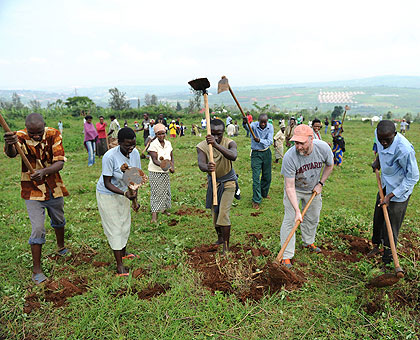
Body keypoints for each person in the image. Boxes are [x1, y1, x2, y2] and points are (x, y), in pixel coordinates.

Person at [3, 113, 69, 284]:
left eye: (39, 132)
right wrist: (9, 144)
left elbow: (60, 162)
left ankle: (61, 247)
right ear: (27, 129)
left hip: (53, 186)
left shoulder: (54, 134)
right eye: (32, 133)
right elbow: (11, 154)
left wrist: (44, 172)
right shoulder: (19, 137)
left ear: (44, 127)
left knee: (59, 219)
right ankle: (37, 270)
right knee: (38, 228)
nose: (36, 136)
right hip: (31, 190)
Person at [280, 124, 334, 268]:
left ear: (311, 139)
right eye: (296, 143)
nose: (298, 147)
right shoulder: (289, 157)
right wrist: (297, 210)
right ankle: (286, 255)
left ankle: (308, 242)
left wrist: (321, 183)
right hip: (295, 190)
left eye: (301, 143)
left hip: (313, 188)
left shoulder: (323, 148)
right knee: (290, 220)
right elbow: (289, 186)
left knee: (313, 217)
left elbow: (330, 165)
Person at [368, 120, 419, 268]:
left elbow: (413, 177)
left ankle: (388, 259)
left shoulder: (404, 150)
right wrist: (378, 160)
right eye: (381, 139)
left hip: (399, 191)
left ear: (395, 135)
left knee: (391, 225)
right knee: (378, 217)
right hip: (385, 184)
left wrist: (391, 196)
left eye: (387, 140)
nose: (383, 142)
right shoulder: (379, 136)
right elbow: (380, 149)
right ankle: (376, 245)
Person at [96, 127, 141, 276]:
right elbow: (107, 182)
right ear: (119, 142)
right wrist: (125, 193)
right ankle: (119, 265)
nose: (130, 148)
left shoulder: (135, 154)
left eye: (133, 144)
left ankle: (123, 251)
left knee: (124, 222)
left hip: (125, 193)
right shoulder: (109, 157)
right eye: (127, 145)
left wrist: (135, 198)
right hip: (108, 194)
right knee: (114, 226)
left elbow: (135, 177)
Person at [196, 119, 238, 254]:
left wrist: (215, 145)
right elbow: (201, 164)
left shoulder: (229, 143)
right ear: (208, 132)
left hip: (229, 182)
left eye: (219, 134)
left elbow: (233, 156)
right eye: (213, 134)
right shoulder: (202, 146)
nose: (216, 137)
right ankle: (220, 238)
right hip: (214, 183)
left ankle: (226, 246)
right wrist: (207, 167)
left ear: (223, 133)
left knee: (224, 213)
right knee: (215, 214)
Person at [148, 123, 174, 223]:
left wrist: (172, 166)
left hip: (165, 171)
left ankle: (163, 210)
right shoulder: (153, 145)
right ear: (156, 134)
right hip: (155, 172)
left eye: (163, 133)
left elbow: (171, 156)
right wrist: (165, 166)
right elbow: (155, 160)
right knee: (156, 192)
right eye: (159, 134)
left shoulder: (168, 144)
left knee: (166, 191)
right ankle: (154, 216)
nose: (161, 136)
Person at [250, 114, 274, 209]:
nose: (263, 124)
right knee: (256, 178)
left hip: (266, 152)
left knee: (267, 176)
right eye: (261, 122)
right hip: (256, 154)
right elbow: (248, 128)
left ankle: (264, 193)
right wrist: (244, 123)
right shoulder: (253, 126)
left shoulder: (270, 127)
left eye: (265, 122)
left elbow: (270, 141)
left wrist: (259, 140)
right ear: (258, 121)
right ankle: (256, 200)